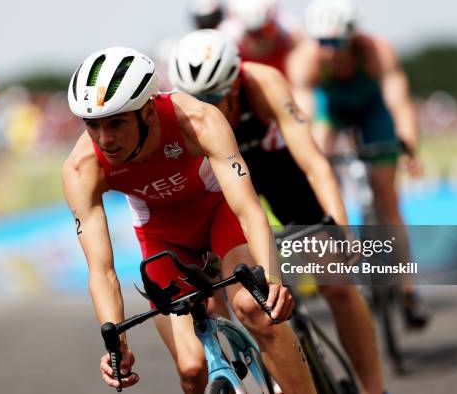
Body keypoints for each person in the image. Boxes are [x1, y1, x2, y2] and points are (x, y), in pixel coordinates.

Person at [62, 46, 317, 394]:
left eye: (117, 122)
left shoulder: (197, 120)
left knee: (254, 307)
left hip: (217, 213)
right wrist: (115, 342)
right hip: (162, 237)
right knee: (192, 368)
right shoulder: (82, 167)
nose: (104, 139)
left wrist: (272, 279)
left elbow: (247, 208)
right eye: (92, 125)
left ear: (148, 111)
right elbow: (102, 270)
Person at [169, 29, 386, 394]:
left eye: (217, 98)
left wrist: (341, 229)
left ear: (236, 83)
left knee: (335, 279)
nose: (207, 108)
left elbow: (314, 164)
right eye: (198, 99)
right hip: (219, 183)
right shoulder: (181, 113)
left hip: (275, 168)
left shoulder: (264, 83)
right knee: (221, 296)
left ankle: (376, 389)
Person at [288, 0, 429, 327]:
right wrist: (311, 157)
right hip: (331, 109)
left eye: (337, 42)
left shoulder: (376, 51)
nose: (329, 50)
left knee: (388, 200)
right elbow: (304, 115)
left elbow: (399, 102)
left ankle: (408, 290)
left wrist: (408, 144)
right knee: (320, 157)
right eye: (322, 41)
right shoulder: (304, 60)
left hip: (372, 110)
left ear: (351, 37)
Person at [220, 0, 303, 77]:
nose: (260, 39)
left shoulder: (292, 33)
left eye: (265, 30)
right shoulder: (226, 39)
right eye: (252, 33)